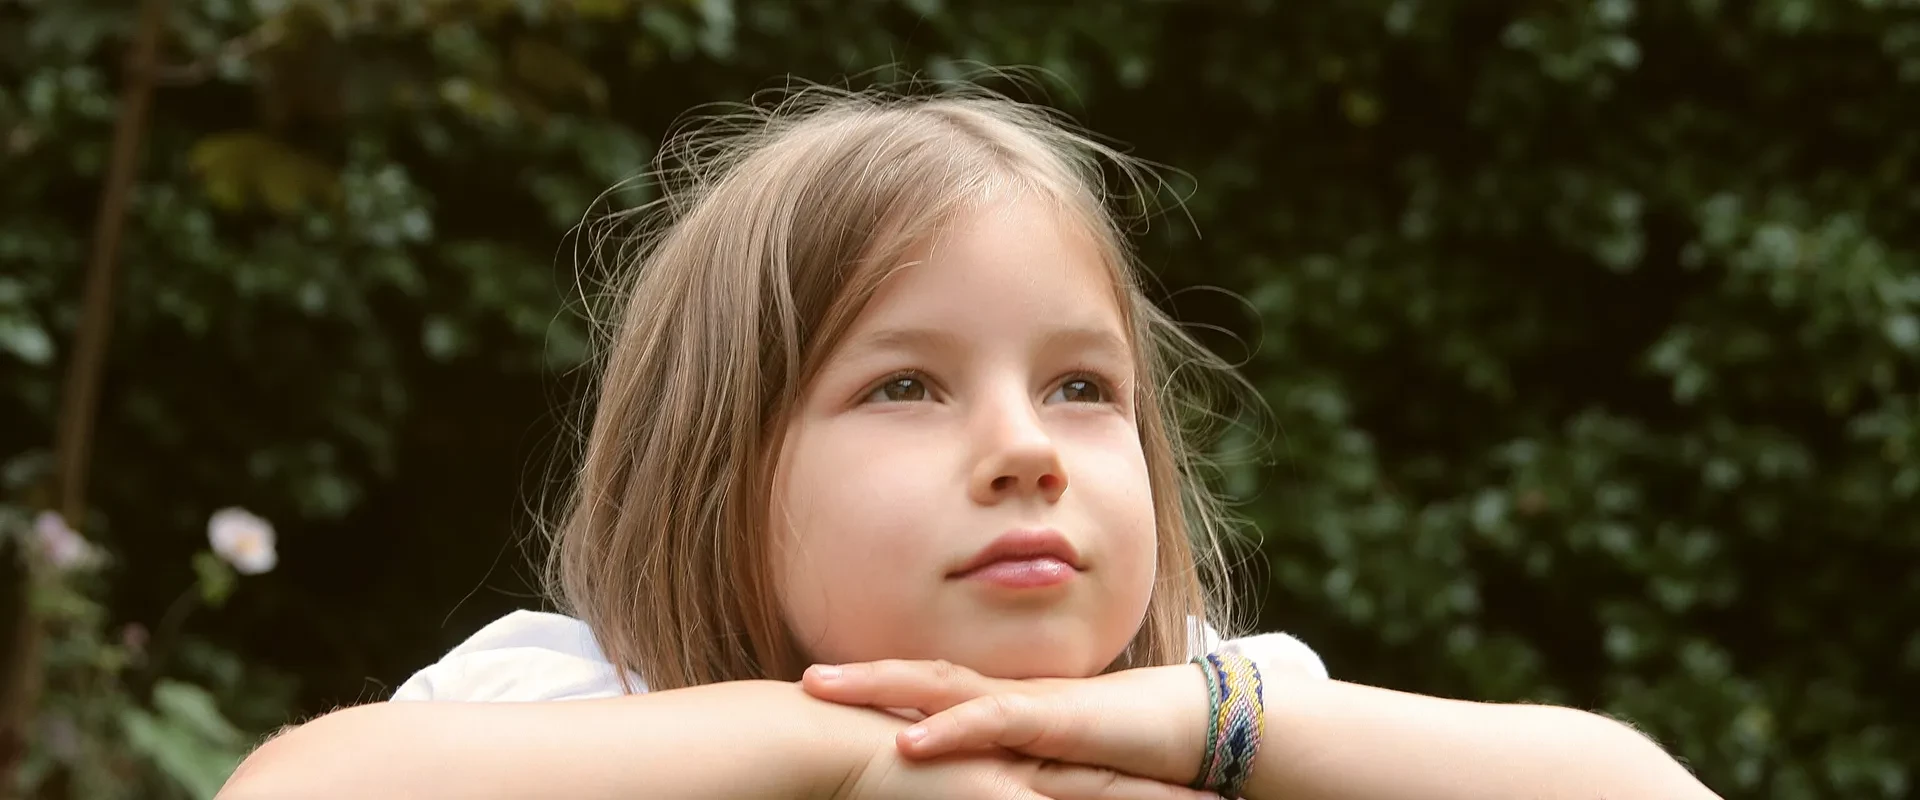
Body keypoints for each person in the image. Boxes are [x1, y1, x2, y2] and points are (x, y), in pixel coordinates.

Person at [217, 86, 1720, 799]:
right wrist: (848, 757)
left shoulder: (1225, 721)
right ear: (715, 475)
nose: (1026, 450)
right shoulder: (597, 715)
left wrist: (1215, 727)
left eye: (1081, 388)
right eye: (905, 388)